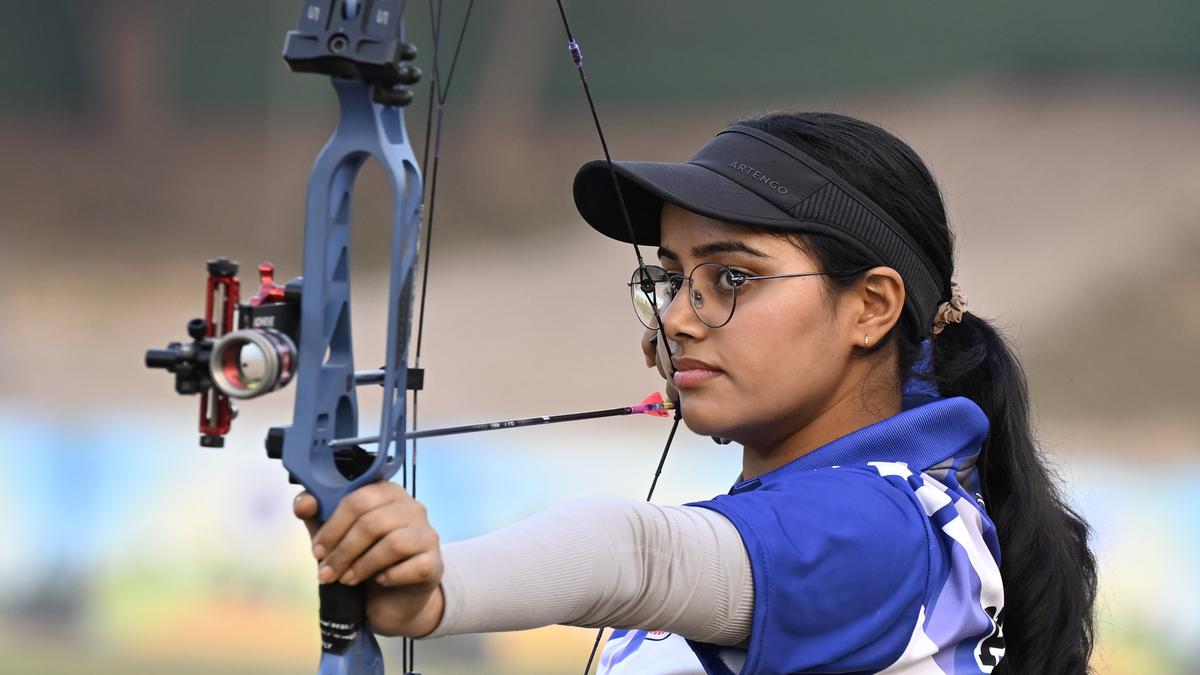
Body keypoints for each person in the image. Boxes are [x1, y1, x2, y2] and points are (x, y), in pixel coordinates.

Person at [293, 111, 1097, 674]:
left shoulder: (889, 528)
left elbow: (635, 554)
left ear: (872, 307)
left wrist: (440, 589)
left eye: (730, 277)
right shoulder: (855, 513)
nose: (677, 316)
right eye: (672, 278)